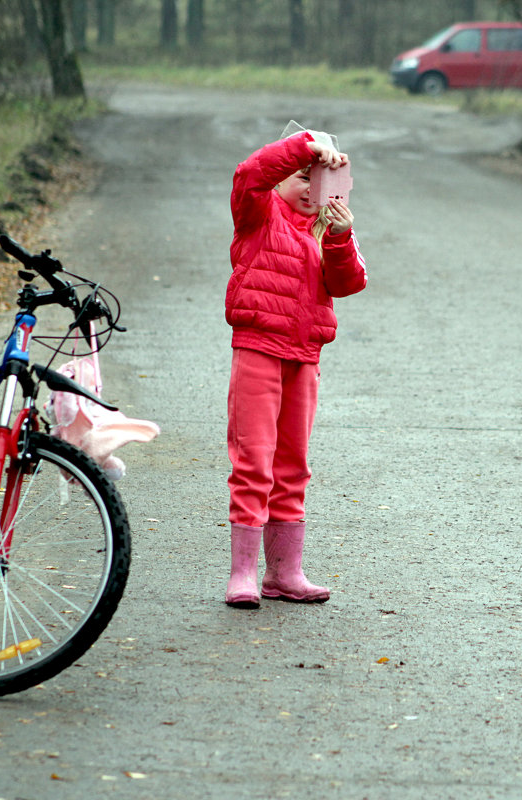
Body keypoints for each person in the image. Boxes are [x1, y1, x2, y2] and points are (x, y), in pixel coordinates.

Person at [224, 122, 366, 609]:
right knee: (253, 459)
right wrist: (304, 147)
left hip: (305, 358)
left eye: (320, 179)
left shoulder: (326, 232)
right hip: (258, 350)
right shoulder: (258, 214)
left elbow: (348, 284)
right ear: (285, 176)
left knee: (292, 465)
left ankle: (284, 572)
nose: (311, 188)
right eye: (303, 177)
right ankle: (242, 571)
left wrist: (342, 240)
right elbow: (249, 175)